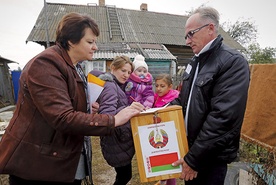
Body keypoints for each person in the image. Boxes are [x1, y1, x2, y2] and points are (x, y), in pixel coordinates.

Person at [0, 12, 144, 185]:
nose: (95, 47)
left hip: (57, 160)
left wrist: (88, 108)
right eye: (90, 42)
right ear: (70, 41)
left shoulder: (73, 66)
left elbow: (64, 103)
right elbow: (62, 117)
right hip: (38, 167)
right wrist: (113, 120)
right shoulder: (46, 64)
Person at [170, 7, 250, 185]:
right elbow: (184, 100)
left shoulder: (232, 62)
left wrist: (194, 159)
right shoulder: (195, 61)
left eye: (191, 34)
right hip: (191, 150)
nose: (187, 41)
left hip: (209, 158)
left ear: (210, 28)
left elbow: (223, 119)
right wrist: (159, 113)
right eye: (186, 36)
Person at [89, 55, 135, 185]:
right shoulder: (110, 85)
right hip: (116, 140)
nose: (126, 75)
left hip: (118, 140)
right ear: (113, 68)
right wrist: (128, 111)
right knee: (125, 176)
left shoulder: (116, 85)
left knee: (124, 175)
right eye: (123, 70)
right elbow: (107, 116)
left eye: (129, 72)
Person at [153, 74, 179, 185]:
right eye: (157, 85)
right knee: (161, 159)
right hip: (159, 133)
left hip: (171, 134)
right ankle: (163, 179)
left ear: (170, 87)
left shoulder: (175, 98)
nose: (158, 88)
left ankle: (169, 181)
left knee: (170, 162)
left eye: (162, 86)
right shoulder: (155, 97)